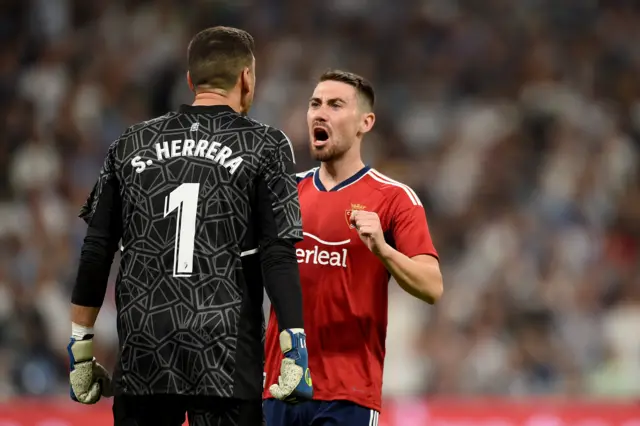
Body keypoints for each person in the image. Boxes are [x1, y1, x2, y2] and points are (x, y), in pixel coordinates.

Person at [66, 26, 312, 426]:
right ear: (246, 77)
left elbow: (96, 250)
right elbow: (278, 254)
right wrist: (294, 347)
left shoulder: (130, 143)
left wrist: (81, 347)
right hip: (224, 348)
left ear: (190, 80)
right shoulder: (265, 145)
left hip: (144, 349)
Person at [263, 70, 443, 425]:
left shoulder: (394, 199)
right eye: (315, 104)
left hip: (348, 395)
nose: (320, 112)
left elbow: (432, 287)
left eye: (335, 105)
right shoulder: (282, 193)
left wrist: (383, 250)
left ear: (365, 122)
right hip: (278, 388)